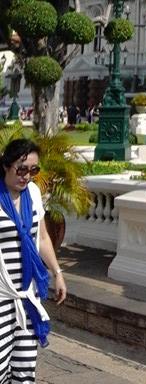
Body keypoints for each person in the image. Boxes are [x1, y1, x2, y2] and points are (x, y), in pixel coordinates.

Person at [0, 139, 66, 382]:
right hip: (1, 295)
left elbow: (42, 237)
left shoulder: (33, 193)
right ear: (6, 165)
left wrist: (57, 273)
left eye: (33, 170)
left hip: (27, 294)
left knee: (25, 365)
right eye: (21, 169)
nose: (27, 176)